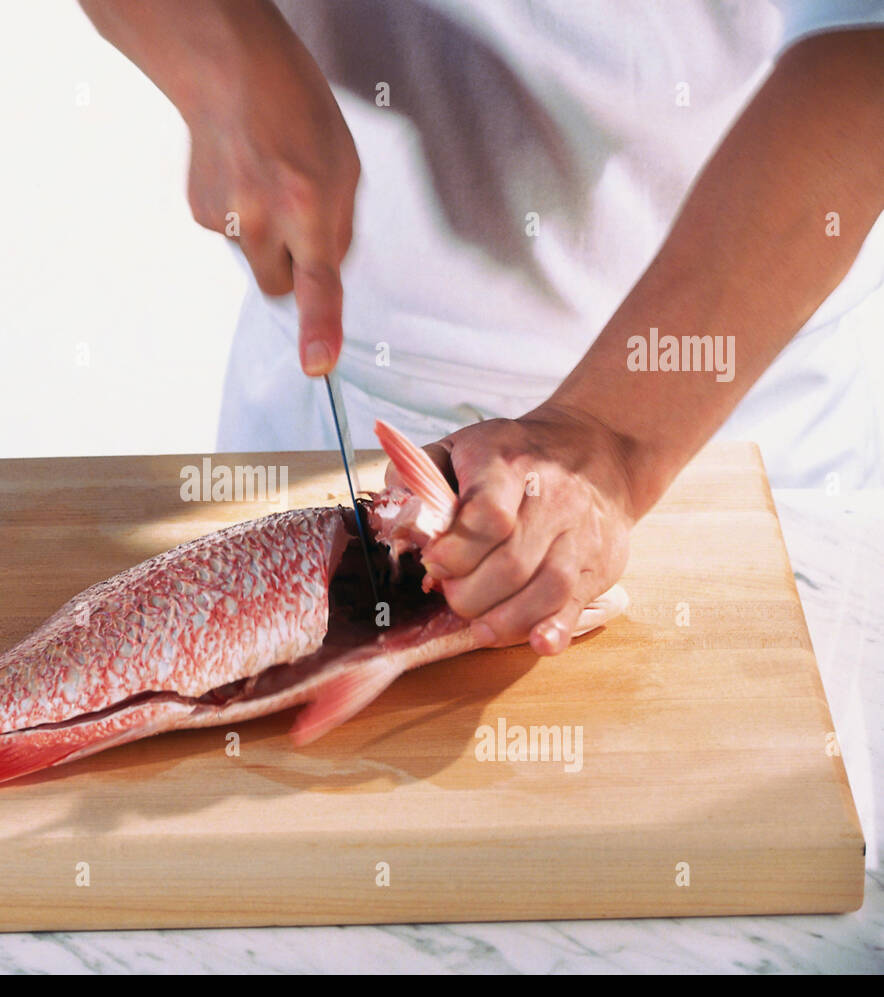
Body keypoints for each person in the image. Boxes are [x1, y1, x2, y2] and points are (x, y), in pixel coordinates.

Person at [79, 0, 884, 656]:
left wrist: (612, 434)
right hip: (329, 404)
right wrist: (218, 48)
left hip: (726, 432)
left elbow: (864, 60)